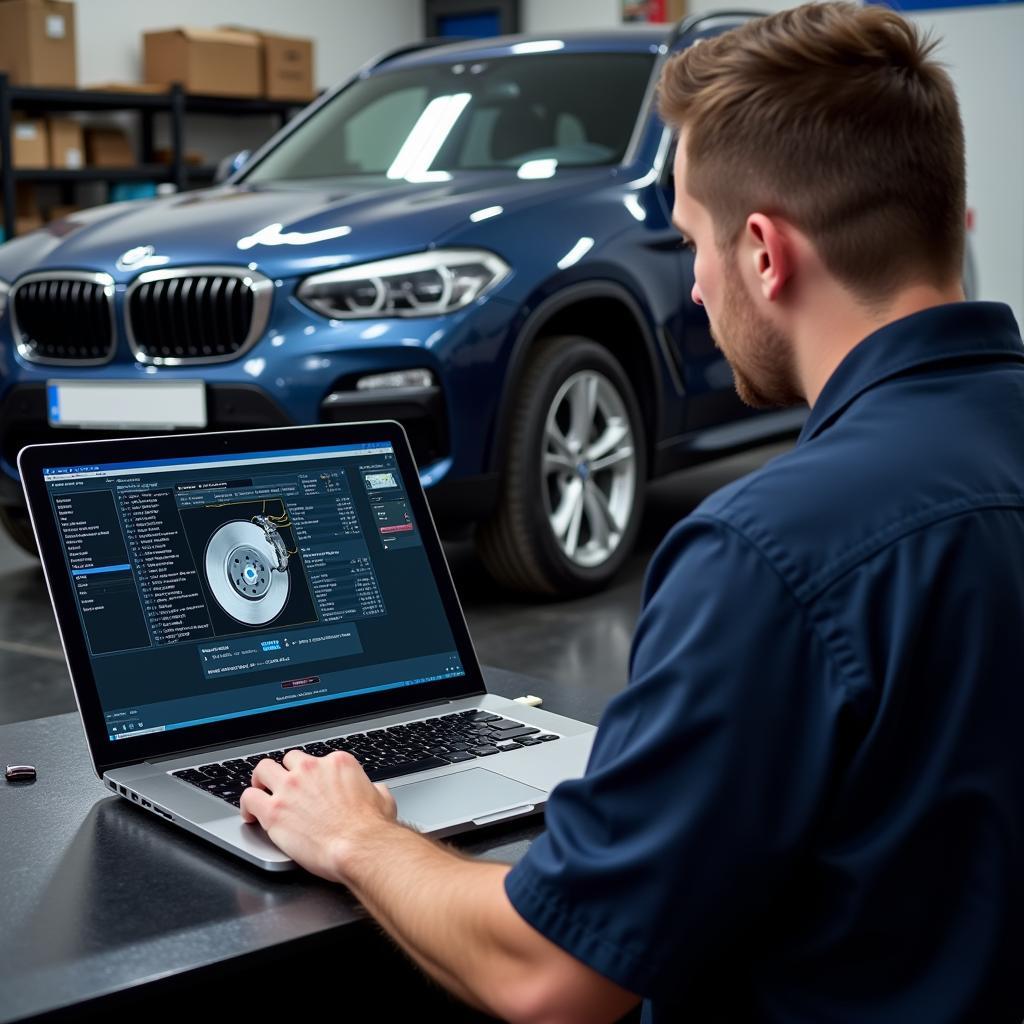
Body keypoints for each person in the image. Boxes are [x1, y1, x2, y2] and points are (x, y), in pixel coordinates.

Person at [238, 4, 1024, 1020]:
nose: (693, 288)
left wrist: (355, 833)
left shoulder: (768, 554)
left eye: (691, 241)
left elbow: (550, 972)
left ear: (762, 253)